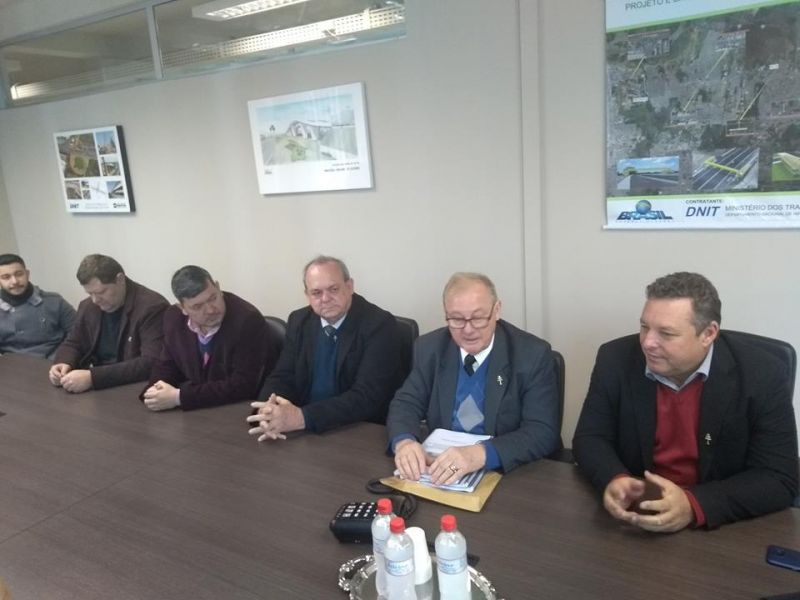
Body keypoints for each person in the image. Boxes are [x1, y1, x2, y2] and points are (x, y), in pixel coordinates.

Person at [573, 272, 799, 532]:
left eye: (666, 333)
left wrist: (693, 504)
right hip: (636, 515)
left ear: (708, 334)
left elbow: (778, 477)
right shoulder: (615, 358)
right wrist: (614, 478)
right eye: (644, 326)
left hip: (720, 525)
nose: (647, 342)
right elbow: (590, 438)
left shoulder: (763, 373)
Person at [386, 272, 560, 485]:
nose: (468, 330)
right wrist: (404, 442)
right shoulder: (430, 348)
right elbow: (406, 403)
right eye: (457, 319)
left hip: (508, 474)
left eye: (478, 318)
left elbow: (542, 431)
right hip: (439, 468)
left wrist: (480, 454)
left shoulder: (532, 354)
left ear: (497, 310)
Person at [247, 255, 407, 440]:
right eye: (316, 293)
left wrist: (301, 417)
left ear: (350, 286)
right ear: (307, 295)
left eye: (333, 289)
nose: (325, 299)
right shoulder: (299, 321)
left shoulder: (379, 325)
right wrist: (268, 410)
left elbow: (367, 396)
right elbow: (283, 375)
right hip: (305, 429)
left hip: (359, 429)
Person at [141, 265, 281, 411]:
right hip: (200, 409)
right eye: (197, 306)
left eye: (213, 298)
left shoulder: (247, 320)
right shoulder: (174, 318)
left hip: (237, 409)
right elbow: (166, 364)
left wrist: (179, 397)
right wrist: (155, 391)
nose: (210, 310)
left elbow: (243, 385)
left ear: (218, 287)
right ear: (182, 308)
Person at [49, 254, 168, 392]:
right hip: (99, 388)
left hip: (135, 388)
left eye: (101, 292)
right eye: (90, 293)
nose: (95, 300)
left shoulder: (152, 307)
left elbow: (150, 362)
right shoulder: (88, 307)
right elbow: (74, 343)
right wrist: (63, 363)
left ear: (120, 279)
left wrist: (93, 377)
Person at [0, 253, 76, 358]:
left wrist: (66, 359)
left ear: (27, 274)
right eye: (6, 277)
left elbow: (79, 333)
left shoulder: (54, 301)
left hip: (55, 361)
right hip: (14, 364)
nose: (15, 281)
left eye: (19, 274)